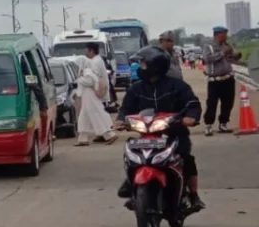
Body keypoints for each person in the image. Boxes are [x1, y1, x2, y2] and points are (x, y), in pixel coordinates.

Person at [115, 46, 205, 211]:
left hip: (174, 132)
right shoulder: (136, 88)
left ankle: (194, 195)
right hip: (146, 134)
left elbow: (192, 103)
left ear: (154, 66)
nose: (139, 67)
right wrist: (121, 120)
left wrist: (191, 117)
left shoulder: (177, 86)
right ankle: (131, 182)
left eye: (142, 64)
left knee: (187, 159)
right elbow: (126, 108)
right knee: (131, 156)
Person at [202, 26, 241, 136]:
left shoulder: (227, 45)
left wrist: (236, 55)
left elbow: (233, 59)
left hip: (228, 79)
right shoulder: (208, 46)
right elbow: (208, 59)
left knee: (228, 102)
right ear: (217, 34)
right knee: (212, 103)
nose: (226, 36)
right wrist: (223, 53)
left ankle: (223, 124)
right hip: (214, 81)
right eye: (224, 34)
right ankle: (208, 125)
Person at [75, 50, 118, 146]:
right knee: (84, 118)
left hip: (90, 97)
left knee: (96, 116)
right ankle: (82, 139)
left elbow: (90, 82)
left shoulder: (87, 72)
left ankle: (110, 135)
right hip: (87, 97)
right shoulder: (86, 71)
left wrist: (79, 80)